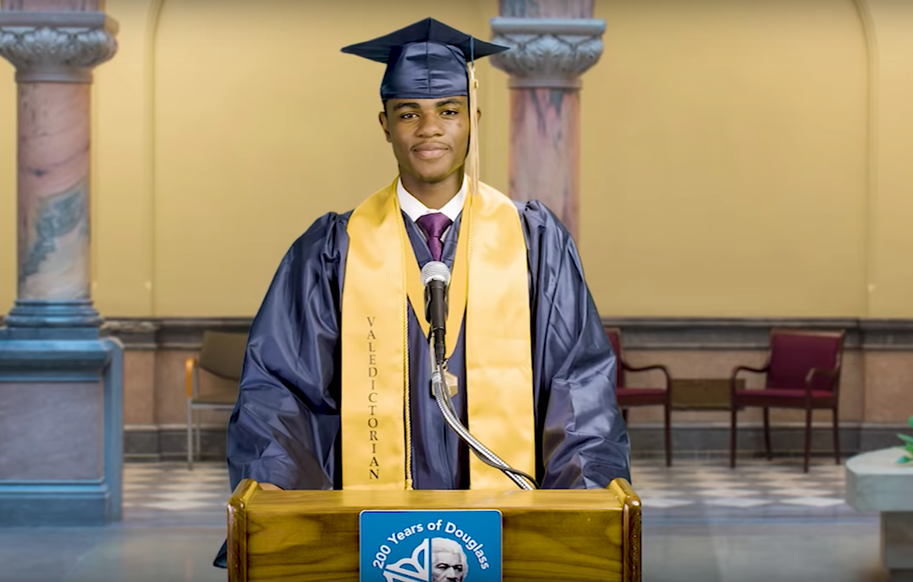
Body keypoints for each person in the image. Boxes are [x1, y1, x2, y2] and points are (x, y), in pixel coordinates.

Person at [213, 17, 630, 569]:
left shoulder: (534, 243)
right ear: (385, 125)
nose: (429, 129)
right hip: (371, 533)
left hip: (510, 525)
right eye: (410, 113)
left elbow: (579, 386)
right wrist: (271, 491)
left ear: (473, 119)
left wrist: (585, 507)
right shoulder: (333, 250)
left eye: (449, 112)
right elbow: (281, 388)